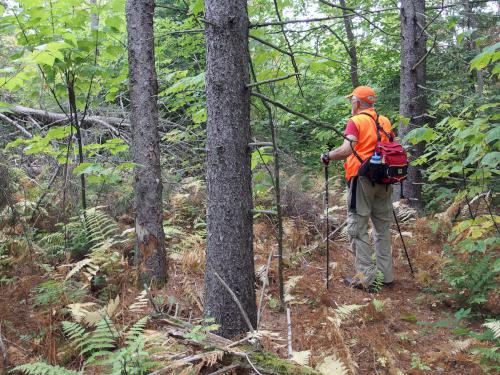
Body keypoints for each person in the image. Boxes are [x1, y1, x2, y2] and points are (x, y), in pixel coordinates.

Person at [321, 86, 394, 290]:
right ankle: (385, 277)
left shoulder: (356, 121)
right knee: (382, 229)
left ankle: (367, 279)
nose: (350, 104)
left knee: (357, 228)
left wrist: (327, 155)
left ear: (357, 102)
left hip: (361, 179)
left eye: (351, 100)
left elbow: (346, 150)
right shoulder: (385, 120)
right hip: (385, 179)